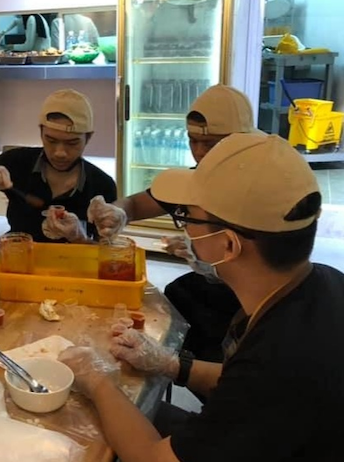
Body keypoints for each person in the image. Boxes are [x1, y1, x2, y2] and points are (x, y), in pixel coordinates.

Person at [59, 133, 344, 462]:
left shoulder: (283, 357)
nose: (187, 229)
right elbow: (245, 384)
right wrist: (173, 365)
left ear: (227, 244)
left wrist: (97, 379)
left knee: (87, 448)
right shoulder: (322, 283)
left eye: (187, 217)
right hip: (281, 447)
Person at [88, 84, 254, 362]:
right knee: (175, 297)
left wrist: (214, 263)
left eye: (211, 144)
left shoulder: (260, 187)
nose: (199, 152)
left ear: (241, 142)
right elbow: (136, 204)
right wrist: (117, 212)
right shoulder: (191, 182)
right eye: (192, 140)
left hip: (250, 294)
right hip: (213, 286)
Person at [0, 89, 117, 243]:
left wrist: (79, 237)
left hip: (74, 266)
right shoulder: (17, 161)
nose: (60, 153)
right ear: (41, 132)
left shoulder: (102, 185)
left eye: (72, 143)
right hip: (20, 256)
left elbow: (105, 253)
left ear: (88, 137)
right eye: (51, 140)